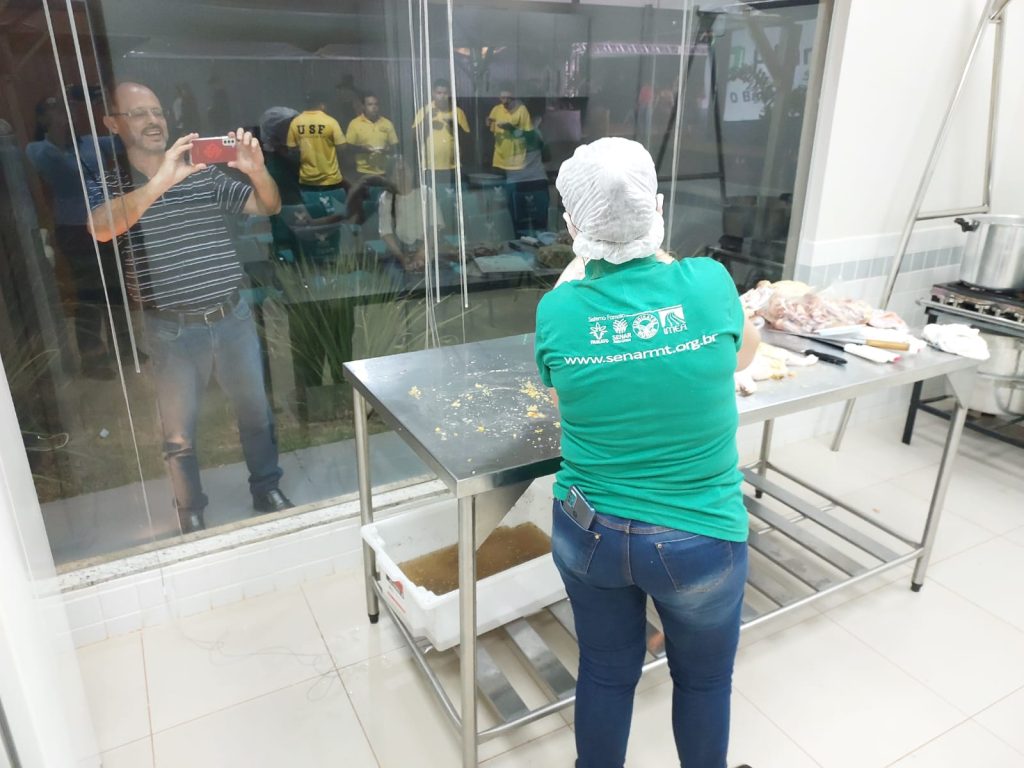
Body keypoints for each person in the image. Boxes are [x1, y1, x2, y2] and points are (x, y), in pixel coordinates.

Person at [533, 137, 759, 768]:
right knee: (704, 680)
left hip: (590, 531)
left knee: (606, 671)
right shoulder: (709, 283)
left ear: (573, 226)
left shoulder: (559, 310)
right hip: (700, 534)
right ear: (657, 209)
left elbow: (562, 391)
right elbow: (745, 355)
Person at [87, 81, 293, 534]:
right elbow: (101, 228)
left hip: (232, 316)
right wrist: (160, 182)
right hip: (171, 330)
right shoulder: (111, 181)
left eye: (157, 112)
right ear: (113, 124)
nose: (153, 121)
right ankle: (190, 510)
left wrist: (257, 171)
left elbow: (268, 206)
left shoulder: (202, 171)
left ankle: (266, 488)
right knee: (178, 435)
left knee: (256, 415)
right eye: (139, 113)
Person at [26, 90, 129, 379]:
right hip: (75, 231)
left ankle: (124, 349)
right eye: (59, 111)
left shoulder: (92, 142)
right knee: (90, 295)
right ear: (43, 120)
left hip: (109, 225)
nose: (67, 116)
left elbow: (125, 142)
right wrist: (62, 136)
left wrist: (106, 107)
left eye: (70, 110)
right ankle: (92, 360)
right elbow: (65, 173)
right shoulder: (38, 150)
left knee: (116, 290)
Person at [287, 92, 349, 217]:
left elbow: (291, 149)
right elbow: (342, 147)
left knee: (313, 217)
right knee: (334, 217)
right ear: (322, 105)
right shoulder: (330, 122)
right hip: (331, 180)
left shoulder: (296, 122)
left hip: (307, 180)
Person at [377, 157, 445, 272]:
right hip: (399, 253)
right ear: (391, 177)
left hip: (427, 249)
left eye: (405, 170)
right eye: (397, 172)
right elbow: (386, 233)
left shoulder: (426, 193)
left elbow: (434, 227)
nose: (402, 174)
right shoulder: (386, 198)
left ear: (412, 172)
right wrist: (401, 257)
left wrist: (422, 253)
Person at [504, 112, 550, 237]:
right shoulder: (536, 133)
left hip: (516, 184)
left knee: (520, 231)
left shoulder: (505, 135)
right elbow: (547, 156)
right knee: (541, 229)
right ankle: (543, 249)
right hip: (537, 181)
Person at [412, 78, 469, 176]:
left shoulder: (457, 112)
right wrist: (426, 121)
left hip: (453, 166)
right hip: (429, 166)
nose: (442, 96)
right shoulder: (424, 111)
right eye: (439, 93)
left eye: (445, 93)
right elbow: (413, 137)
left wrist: (455, 128)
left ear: (449, 94)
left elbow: (467, 141)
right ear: (433, 94)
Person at [345, 93, 399, 181]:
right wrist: (362, 149)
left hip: (384, 172)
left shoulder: (387, 123)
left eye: (376, 104)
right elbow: (348, 147)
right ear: (363, 107)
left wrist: (387, 149)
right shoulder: (355, 124)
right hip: (362, 172)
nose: (374, 107)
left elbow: (396, 146)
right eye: (370, 104)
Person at [487, 86, 531, 174]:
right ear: (499, 98)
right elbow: (491, 128)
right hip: (499, 158)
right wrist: (488, 122)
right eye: (503, 98)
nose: (505, 101)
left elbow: (528, 133)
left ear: (513, 98)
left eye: (508, 98)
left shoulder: (521, 110)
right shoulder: (496, 109)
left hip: (516, 158)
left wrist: (511, 129)